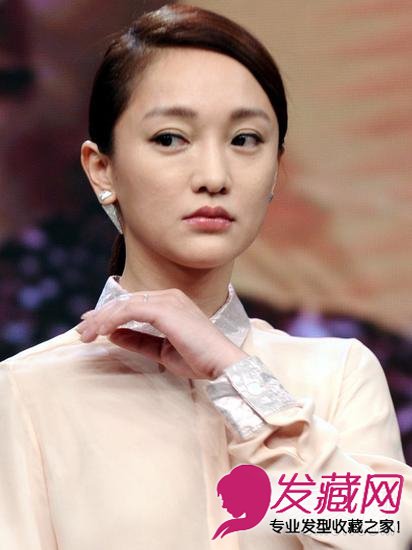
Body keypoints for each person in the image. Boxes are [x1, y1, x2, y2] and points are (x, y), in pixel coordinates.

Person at [0, 3, 411, 549]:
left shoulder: (338, 373)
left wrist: (234, 374)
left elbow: (382, 538)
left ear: (275, 170)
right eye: (171, 138)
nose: (214, 176)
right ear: (102, 169)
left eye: (245, 140)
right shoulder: (28, 391)